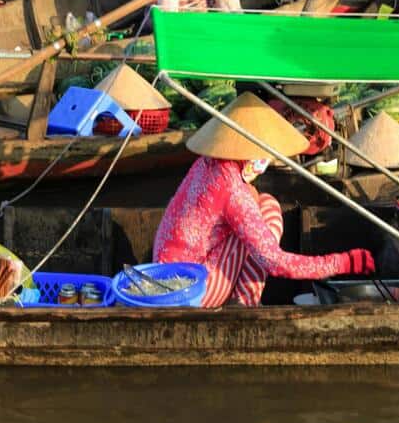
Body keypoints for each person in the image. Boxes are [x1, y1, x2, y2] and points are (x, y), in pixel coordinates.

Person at [153, 93, 376, 307]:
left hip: (162, 275)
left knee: (265, 202)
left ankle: (244, 300)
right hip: (190, 293)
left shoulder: (208, 163)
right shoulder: (231, 188)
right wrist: (342, 262)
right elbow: (276, 263)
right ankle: (245, 304)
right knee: (267, 216)